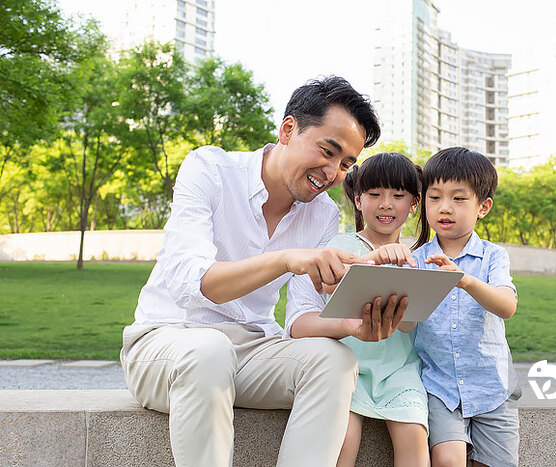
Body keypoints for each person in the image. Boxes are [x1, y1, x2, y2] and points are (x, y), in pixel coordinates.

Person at [119, 76, 410, 467]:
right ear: (288, 129)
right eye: (327, 151)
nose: (332, 172)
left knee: (336, 361)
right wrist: (286, 258)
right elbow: (194, 285)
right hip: (169, 341)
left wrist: (355, 326)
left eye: (345, 164)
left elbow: (299, 318)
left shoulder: (321, 213)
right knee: (210, 351)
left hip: (252, 349)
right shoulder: (210, 168)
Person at [411, 147, 521, 467]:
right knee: (448, 461)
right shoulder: (415, 260)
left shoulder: (493, 256)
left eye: (459, 198)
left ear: (483, 206)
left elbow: (507, 305)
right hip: (440, 388)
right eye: (435, 197)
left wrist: (465, 280)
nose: (445, 207)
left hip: (492, 388)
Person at [323, 153, 429, 467]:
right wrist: (377, 258)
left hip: (399, 371)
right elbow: (331, 287)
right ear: (358, 199)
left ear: (413, 204)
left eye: (398, 195)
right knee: (343, 441)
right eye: (374, 194)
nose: (386, 204)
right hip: (349, 368)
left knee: (414, 438)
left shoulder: (417, 258)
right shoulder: (342, 245)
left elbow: (409, 326)